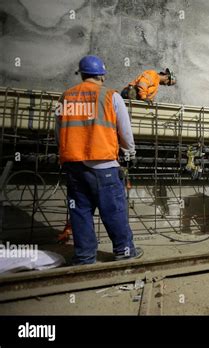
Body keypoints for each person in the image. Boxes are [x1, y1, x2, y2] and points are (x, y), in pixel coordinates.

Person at [55, 55, 143, 264]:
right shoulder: (111, 96)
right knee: (113, 209)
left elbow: (58, 133)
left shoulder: (65, 97)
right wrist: (129, 152)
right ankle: (123, 251)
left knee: (80, 211)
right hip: (103, 164)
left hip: (74, 165)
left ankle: (85, 256)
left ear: (82, 74)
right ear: (101, 75)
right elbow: (125, 130)